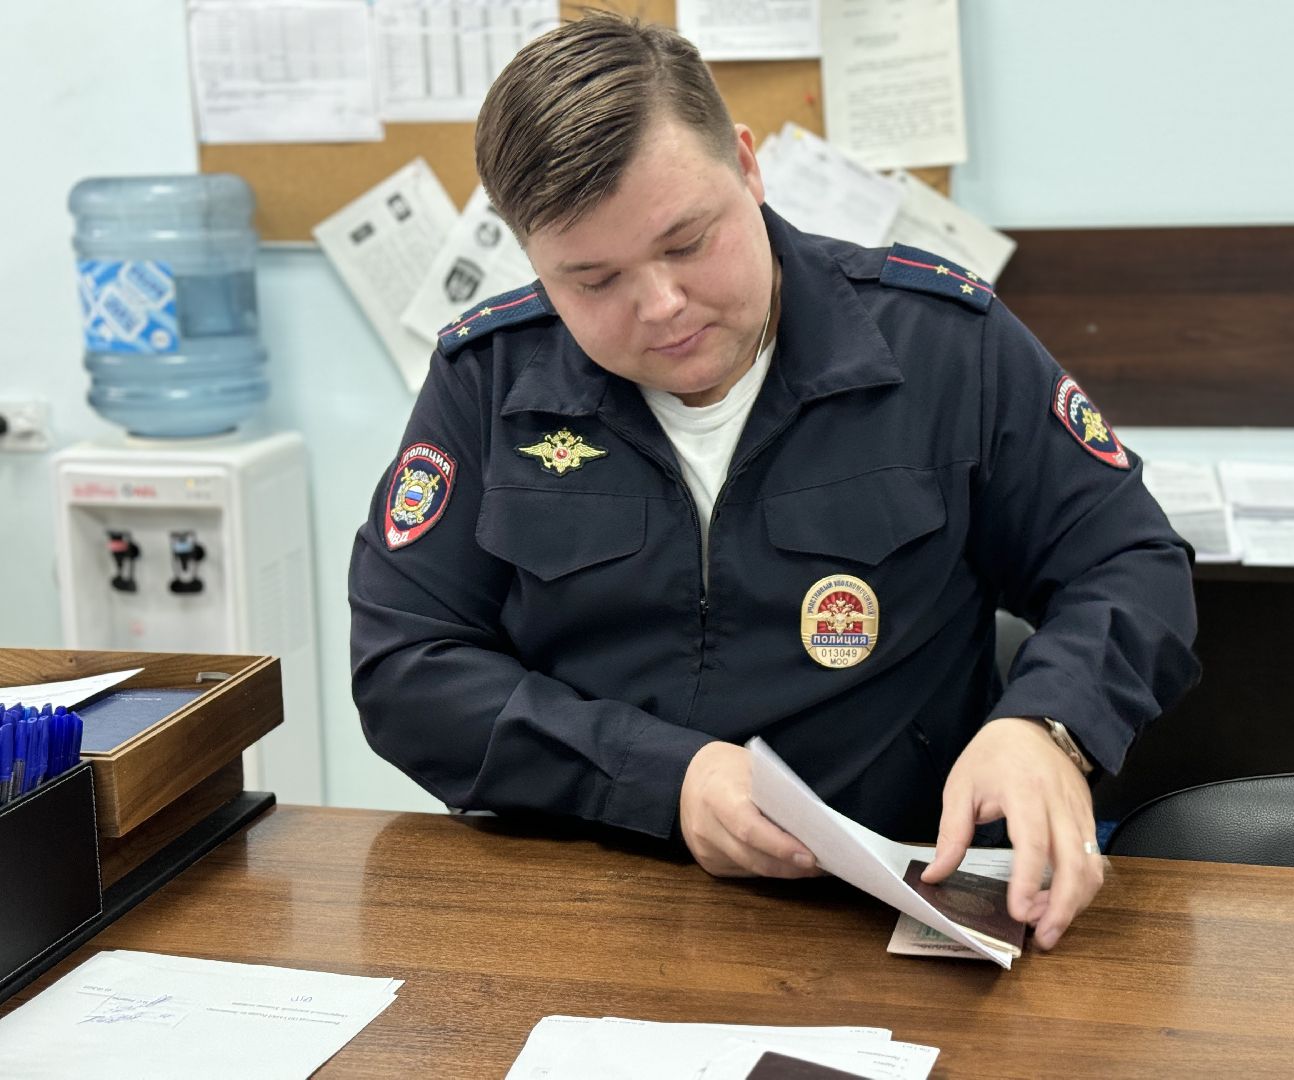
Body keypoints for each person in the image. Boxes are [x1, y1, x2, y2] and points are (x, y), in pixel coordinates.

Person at [349, 12, 1200, 952]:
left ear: (748, 168)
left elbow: (1128, 559)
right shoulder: (490, 380)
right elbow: (406, 666)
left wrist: (1050, 724)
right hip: (585, 902)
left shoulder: (942, 343)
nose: (661, 305)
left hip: (888, 908)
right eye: (593, 281)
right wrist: (666, 780)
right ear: (534, 261)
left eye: (686, 242)